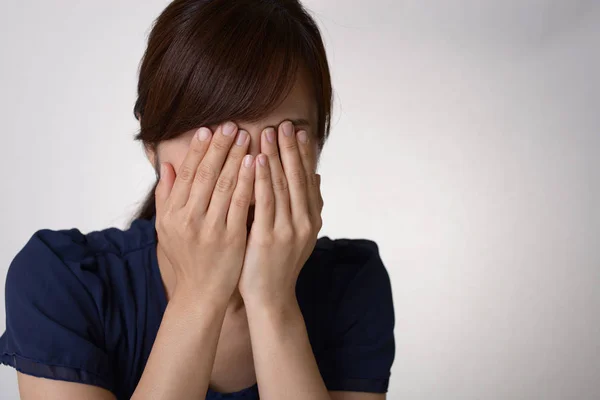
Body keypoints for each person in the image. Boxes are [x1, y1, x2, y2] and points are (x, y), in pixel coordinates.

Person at [0, 0, 395, 399]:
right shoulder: (61, 281)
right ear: (152, 145)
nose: (247, 175)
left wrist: (272, 304)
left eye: (284, 139)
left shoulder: (352, 285)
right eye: (218, 141)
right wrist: (199, 295)